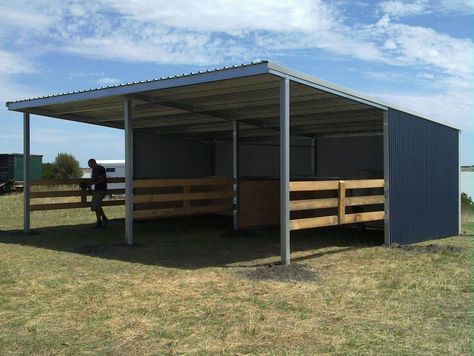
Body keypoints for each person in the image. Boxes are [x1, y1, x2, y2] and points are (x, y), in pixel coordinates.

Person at [87, 158, 109, 228]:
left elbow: (102, 180)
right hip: (96, 190)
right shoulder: (94, 170)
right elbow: (93, 179)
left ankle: (99, 221)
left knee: (96, 205)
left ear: (94, 163)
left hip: (101, 189)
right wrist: (89, 184)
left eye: (90, 165)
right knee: (97, 205)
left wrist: (92, 183)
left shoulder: (101, 169)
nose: (90, 167)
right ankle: (103, 219)